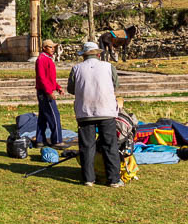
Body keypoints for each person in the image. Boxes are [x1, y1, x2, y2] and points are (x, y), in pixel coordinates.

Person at [67, 41, 122, 188]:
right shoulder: (108, 67)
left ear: (83, 56)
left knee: (87, 146)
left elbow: (71, 89)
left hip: (85, 111)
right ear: (98, 54)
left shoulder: (76, 69)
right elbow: (115, 85)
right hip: (106, 110)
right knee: (110, 145)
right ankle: (114, 179)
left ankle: (88, 178)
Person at [34, 39, 64, 148]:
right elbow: (42, 78)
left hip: (46, 90)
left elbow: (50, 78)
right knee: (54, 115)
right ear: (44, 48)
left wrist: (58, 87)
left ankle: (40, 140)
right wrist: (49, 92)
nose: (53, 49)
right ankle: (57, 140)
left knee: (43, 117)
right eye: (50, 47)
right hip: (44, 92)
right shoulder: (42, 59)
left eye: (53, 47)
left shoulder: (48, 59)